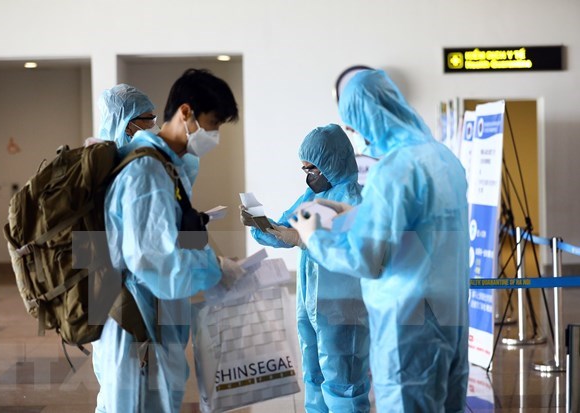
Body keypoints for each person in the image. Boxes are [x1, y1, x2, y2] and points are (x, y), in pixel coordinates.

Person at [289, 69, 470, 412]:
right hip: (450, 319)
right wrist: (347, 212)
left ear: (366, 117)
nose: (357, 138)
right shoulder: (443, 158)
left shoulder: (394, 168)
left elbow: (366, 258)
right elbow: (415, 229)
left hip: (409, 328)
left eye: (354, 127)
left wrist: (315, 237)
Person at [91, 68, 240, 413]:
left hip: (153, 317)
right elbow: (154, 261)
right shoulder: (145, 171)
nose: (215, 134)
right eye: (213, 123)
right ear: (186, 113)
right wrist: (215, 269)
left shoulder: (165, 166)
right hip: (137, 323)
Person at [240, 124, 371, 413]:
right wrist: (262, 224)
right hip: (311, 298)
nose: (308, 176)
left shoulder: (354, 197)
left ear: (330, 162)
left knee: (343, 380)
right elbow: (286, 226)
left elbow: (351, 248)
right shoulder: (311, 197)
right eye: (304, 169)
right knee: (313, 370)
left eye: (312, 168)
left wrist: (303, 239)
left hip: (344, 303)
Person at [97, 83, 157, 147]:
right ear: (127, 127)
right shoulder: (106, 156)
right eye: (148, 120)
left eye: (153, 119)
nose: (153, 126)